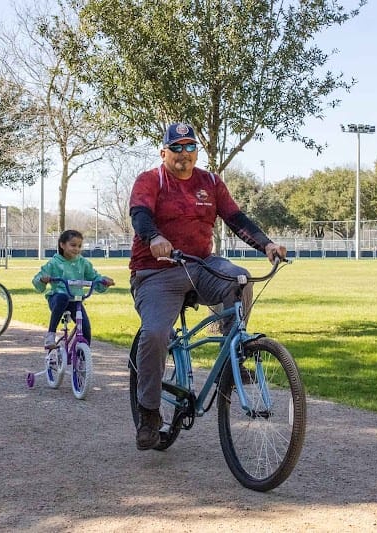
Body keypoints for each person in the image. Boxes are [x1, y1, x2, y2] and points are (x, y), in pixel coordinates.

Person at [129, 122, 287, 450]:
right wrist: (154, 237)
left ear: (197, 152)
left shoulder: (211, 182)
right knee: (156, 333)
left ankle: (232, 357)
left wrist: (267, 245)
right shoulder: (151, 180)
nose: (184, 154)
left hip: (201, 265)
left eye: (190, 147)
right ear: (164, 152)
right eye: (177, 148)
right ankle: (148, 412)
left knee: (239, 279)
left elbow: (236, 219)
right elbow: (140, 215)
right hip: (156, 271)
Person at [32, 229, 116, 349]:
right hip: (57, 299)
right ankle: (50, 334)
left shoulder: (83, 263)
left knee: (85, 327)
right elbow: (38, 278)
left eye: (79, 246)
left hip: (75, 301)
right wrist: (42, 279)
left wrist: (103, 281)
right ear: (62, 245)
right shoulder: (54, 263)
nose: (76, 249)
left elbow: (94, 277)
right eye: (73, 245)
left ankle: (83, 359)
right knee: (63, 297)